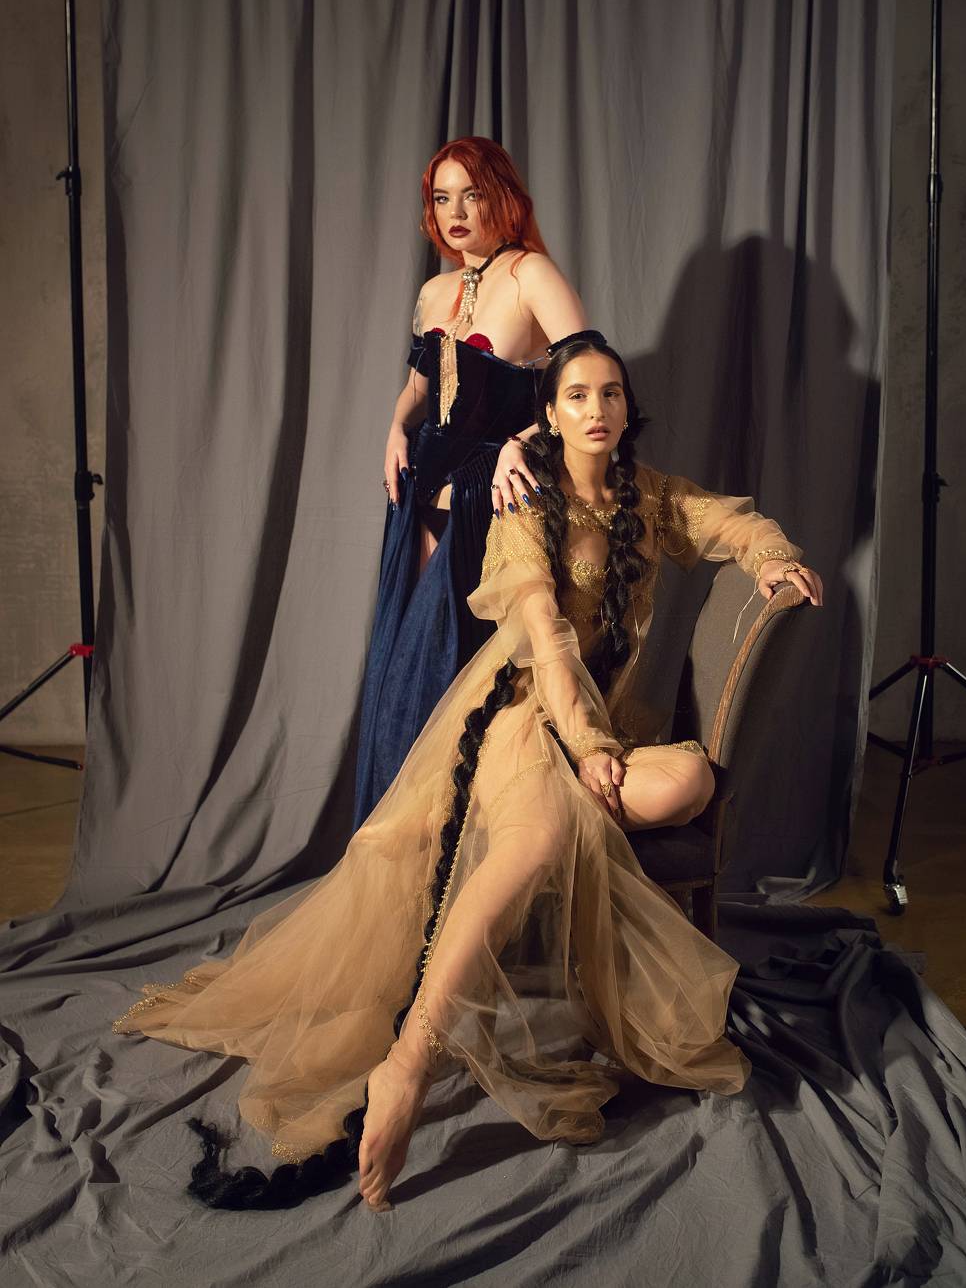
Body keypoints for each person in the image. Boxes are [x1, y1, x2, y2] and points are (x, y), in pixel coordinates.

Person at [113, 336, 822, 1213]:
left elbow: (731, 522)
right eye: (575, 395)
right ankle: (409, 1061)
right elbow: (548, 642)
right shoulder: (524, 504)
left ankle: (563, 812)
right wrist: (585, 747)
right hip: (520, 718)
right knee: (545, 833)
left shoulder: (649, 494)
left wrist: (770, 557)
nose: (595, 410)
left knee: (688, 785)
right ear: (548, 414)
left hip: (600, 729)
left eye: (609, 393)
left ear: (625, 408)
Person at [353, 137, 594, 827]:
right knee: (404, 668)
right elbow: (418, 388)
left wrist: (524, 442)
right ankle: (401, 843)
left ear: (502, 198)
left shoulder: (530, 274)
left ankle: (460, 845)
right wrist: (394, 428)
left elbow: (586, 380)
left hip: (488, 497)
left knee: (455, 668)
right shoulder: (434, 291)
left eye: (472, 195)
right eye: (442, 198)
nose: (454, 212)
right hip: (419, 490)